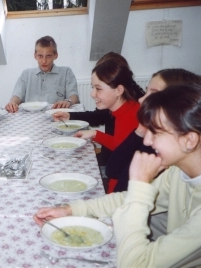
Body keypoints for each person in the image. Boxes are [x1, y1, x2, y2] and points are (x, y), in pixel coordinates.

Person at [34, 83, 201, 267]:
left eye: (156, 132)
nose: (146, 140)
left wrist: (140, 184)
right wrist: (70, 210)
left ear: (189, 140)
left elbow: (134, 265)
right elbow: (123, 199)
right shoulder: (178, 171)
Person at [106, 68, 201, 192]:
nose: (140, 99)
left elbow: (123, 190)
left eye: (154, 94)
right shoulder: (158, 138)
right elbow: (112, 170)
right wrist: (140, 131)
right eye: (146, 92)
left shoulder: (166, 149)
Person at [53, 52, 144, 174]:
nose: (92, 94)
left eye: (98, 88)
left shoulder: (131, 113)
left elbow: (116, 168)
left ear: (119, 89)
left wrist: (95, 134)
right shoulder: (122, 108)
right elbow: (119, 144)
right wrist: (95, 133)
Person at [5, 36, 79, 113]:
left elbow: (74, 96)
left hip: (56, 116)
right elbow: (17, 95)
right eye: (40, 56)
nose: (44, 61)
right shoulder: (26, 74)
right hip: (30, 118)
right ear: (35, 56)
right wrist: (12, 103)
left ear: (55, 55)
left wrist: (68, 101)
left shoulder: (66, 72)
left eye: (48, 56)